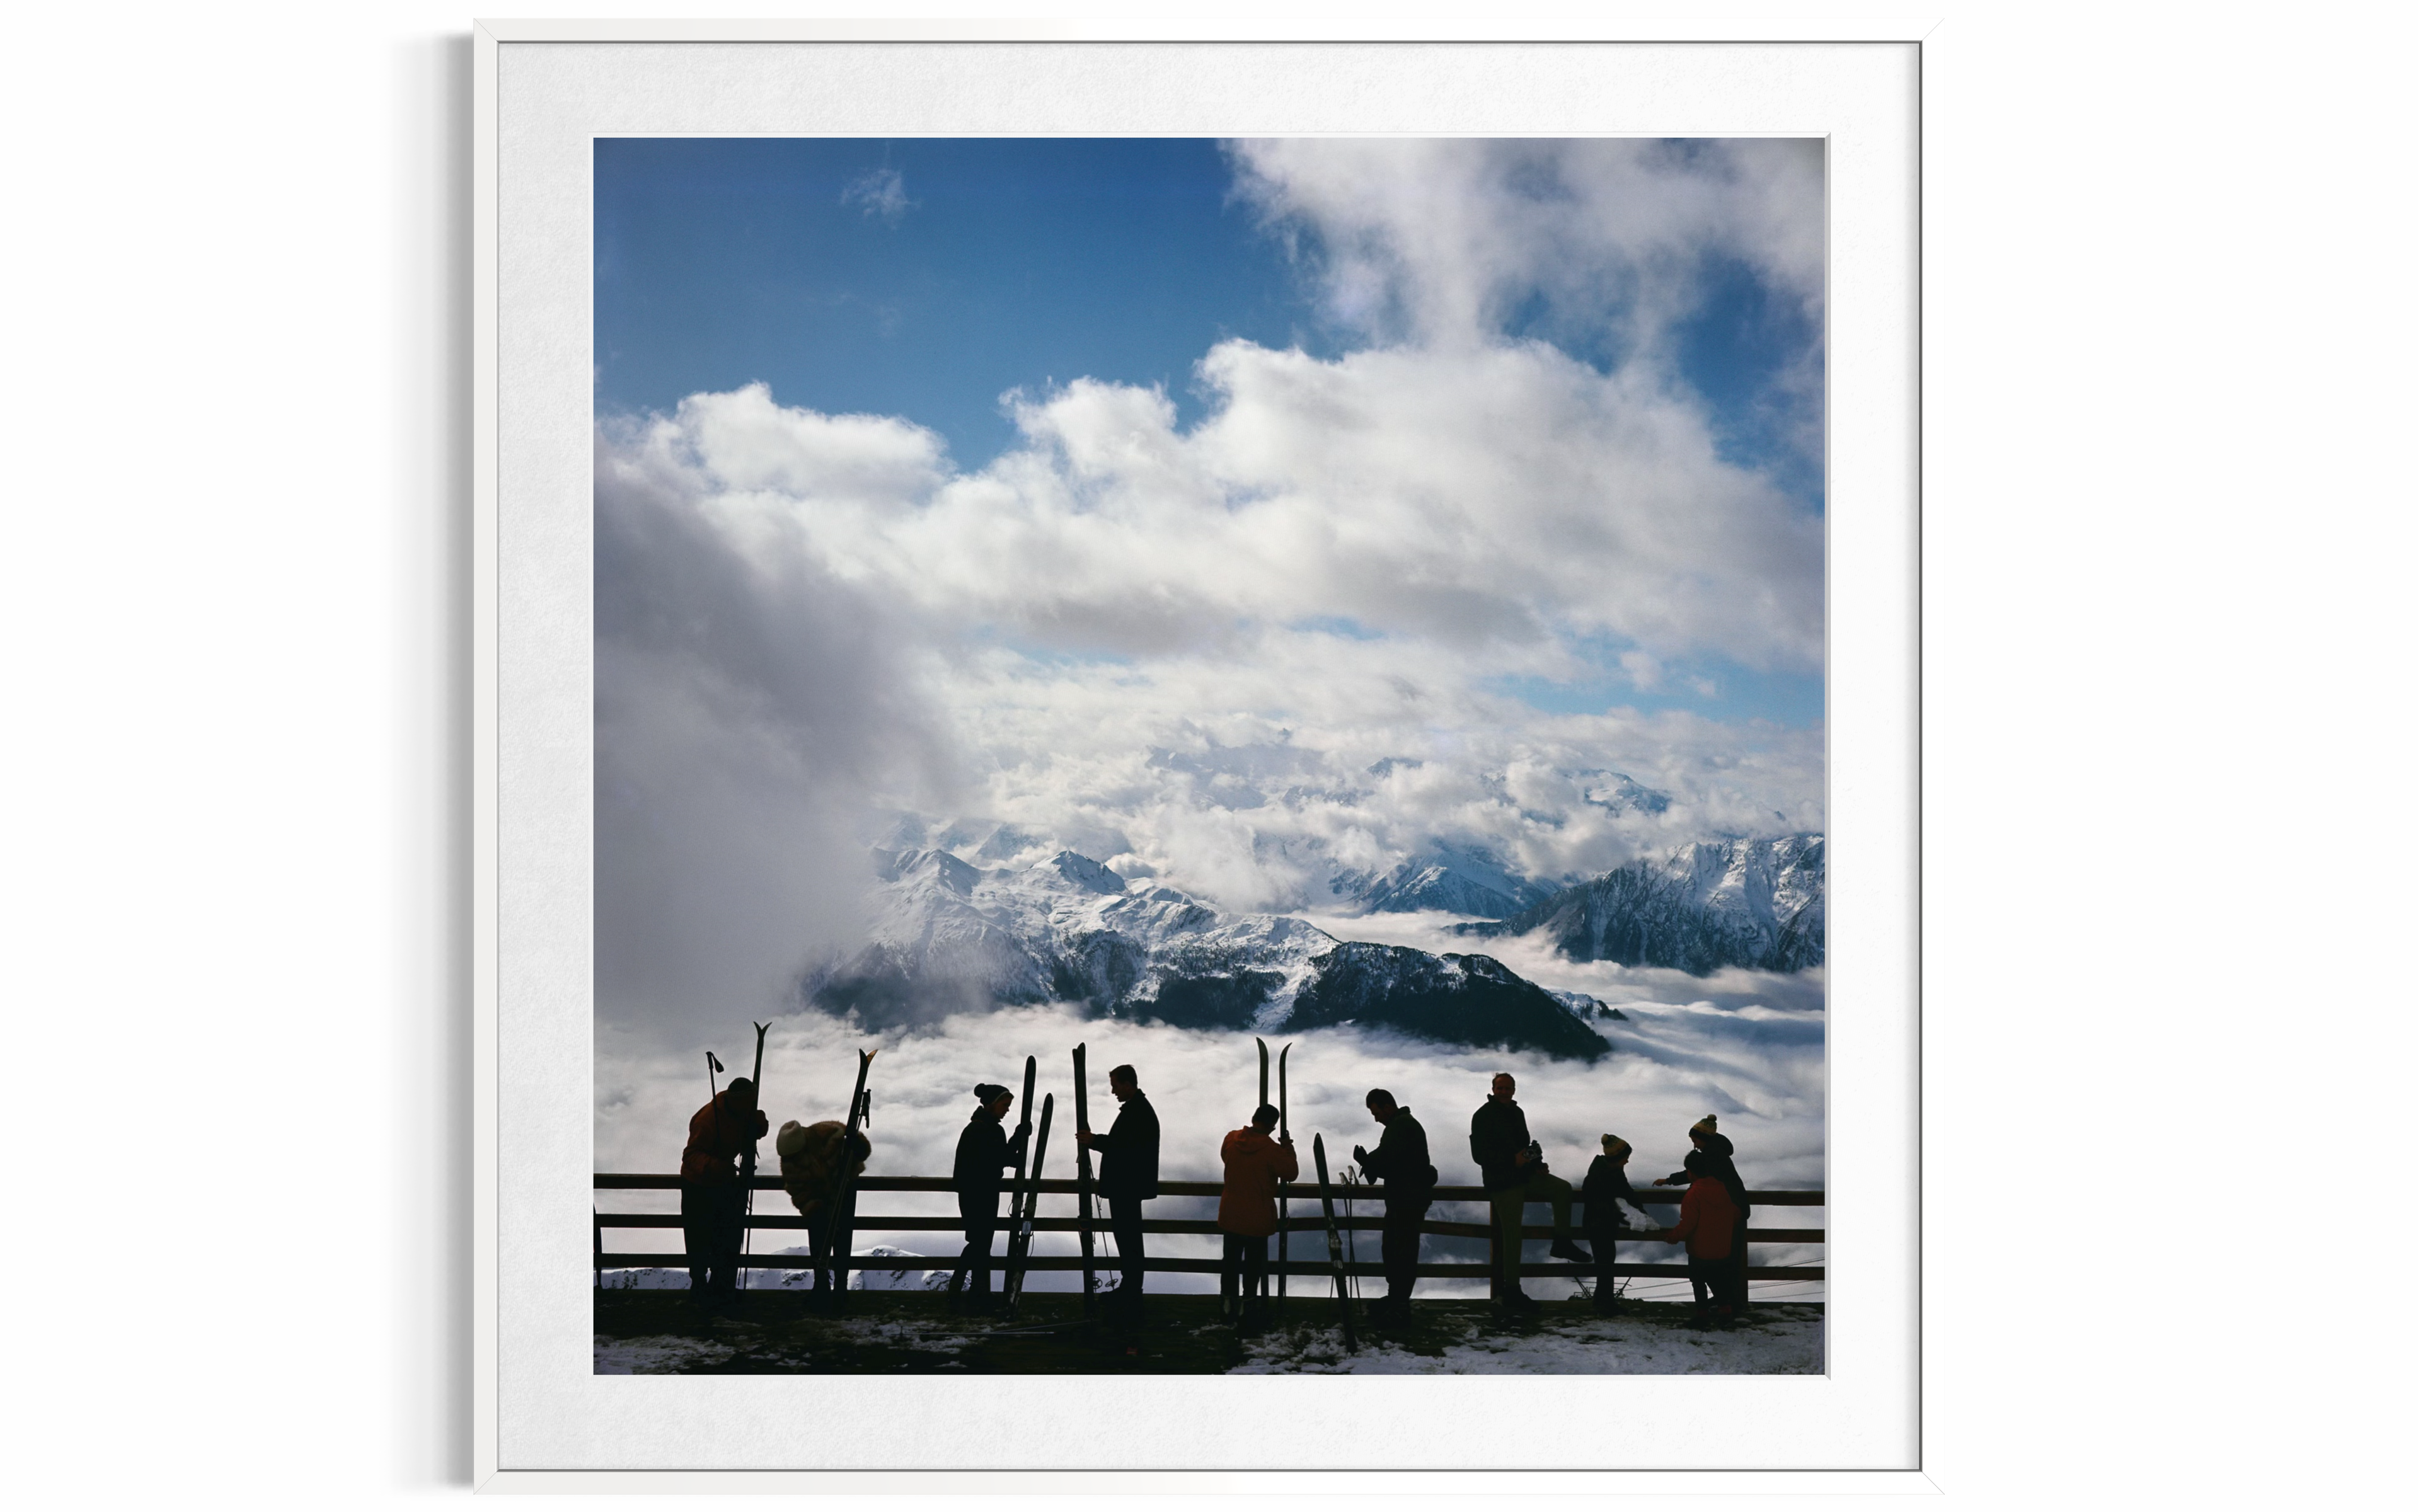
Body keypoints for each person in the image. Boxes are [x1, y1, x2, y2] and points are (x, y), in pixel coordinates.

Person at [1467, 1072, 1589, 1312]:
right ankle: (1512, 1291)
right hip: (1503, 1182)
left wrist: (1536, 1163)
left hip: (1524, 1175)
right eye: (1500, 1088)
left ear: (1514, 1090)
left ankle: (1562, 1242)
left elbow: (1524, 1145)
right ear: (1493, 1089)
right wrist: (1512, 1160)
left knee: (1562, 1188)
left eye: (1508, 1088)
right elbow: (1479, 1155)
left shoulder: (1517, 1113)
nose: (1504, 1092)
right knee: (1513, 1237)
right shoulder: (1482, 1115)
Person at [1075, 1063, 1159, 1326]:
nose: (1113, 1091)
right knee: (1128, 1238)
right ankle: (1129, 1288)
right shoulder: (1139, 1110)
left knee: (1128, 1239)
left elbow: (1124, 1147)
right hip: (1129, 1186)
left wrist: (1095, 1141)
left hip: (1127, 1187)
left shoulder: (1137, 1112)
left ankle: (1131, 1292)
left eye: (1115, 1086)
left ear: (1128, 1085)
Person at [679, 1076, 768, 1310]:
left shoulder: (742, 1112)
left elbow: (756, 1128)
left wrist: (759, 1125)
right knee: (699, 1238)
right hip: (697, 1185)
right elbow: (690, 1156)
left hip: (724, 1183)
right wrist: (718, 1167)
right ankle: (700, 1288)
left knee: (726, 1237)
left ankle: (721, 1288)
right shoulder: (707, 1120)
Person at [1654, 1114, 1752, 1315]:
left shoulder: (1712, 1156)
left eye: (1696, 1141)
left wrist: (1669, 1180)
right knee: (1727, 1261)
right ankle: (1729, 1302)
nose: (1695, 1145)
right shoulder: (1716, 1152)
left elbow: (1694, 1173)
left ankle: (1725, 1304)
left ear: (1704, 1138)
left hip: (1731, 1212)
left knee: (1721, 1264)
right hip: (1734, 1210)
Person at [1352, 1088, 1436, 1322]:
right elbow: (1393, 1160)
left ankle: (1400, 1305)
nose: (1376, 1119)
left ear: (1388, 1107)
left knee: (1401, 1250)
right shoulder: (1403, 1124)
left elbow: (1389, 1159)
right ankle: (1396, 1298)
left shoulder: (1400, 1127)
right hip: (1408, 1198)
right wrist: (1370, 1162)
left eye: (1377, 1113)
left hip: (1407, 1200)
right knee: (1396, 1248)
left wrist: (1367, 1162)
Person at [947, 1082, 1028, 1310]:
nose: (1007, 1109)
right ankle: (964, 1291)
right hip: (980, 1194)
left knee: (980, 1244)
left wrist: (1016, 1141)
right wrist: (1018, 1138)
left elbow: (999, 1158)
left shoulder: (980, 1128)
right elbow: (1000, 1158)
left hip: (976, 1193)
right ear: (992, 1104)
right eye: (1005, 1105)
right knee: (979, 1244)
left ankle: (975, 1293)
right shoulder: (983, 1130)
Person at [776, 1114, 872, 1306]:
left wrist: (857, 1147)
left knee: (842, 1235)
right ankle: (821, 1287)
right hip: (817, 1196)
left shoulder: (829, 1133)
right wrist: (814, 1209)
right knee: (818, 1236)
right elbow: (798, 1191)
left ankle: (840, 1289)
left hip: (845, 1186)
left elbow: (862, 1149)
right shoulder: (790, 1161)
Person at [1217, 1103, 1298, 1327]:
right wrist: (1287, 1148)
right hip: (1258, 1217)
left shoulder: (1231, 1139)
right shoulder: (1272, 1150)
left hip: (1230, 1213)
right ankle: (1248, 1307)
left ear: (1253, 1118)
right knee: (1253, 1266)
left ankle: (1226, 1304)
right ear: (1273, 1126)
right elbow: (1291, 1173)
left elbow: (1225, 1157)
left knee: (1230, 1262)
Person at [1650, 1148, 1743, 1326]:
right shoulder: (1721, 1188)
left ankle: (1702, 1316)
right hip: (1722, 1248)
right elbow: (1735, 1213)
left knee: (1698, 1282)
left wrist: (1673, 1237)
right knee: (1718, 1281)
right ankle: (1726, 1313)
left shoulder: (1693, 1195)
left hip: (1700, 1250)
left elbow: (1688, 1223)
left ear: (1690, 1172)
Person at [1578, 1135, 1644, 1314]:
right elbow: (1604, 1204)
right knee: (1605, 1263)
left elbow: (1626, 1192)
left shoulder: (1612, 1170)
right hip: (1598, 1226)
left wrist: (1640, 1212)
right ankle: (1604, 1303)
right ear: (1617, 1158)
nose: (1627, 1161)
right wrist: (1627, 1216)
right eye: (1625, 1157)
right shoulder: (1597, 1176)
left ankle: (1603, 1301)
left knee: (1606, 1263)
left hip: (1603, 1225)